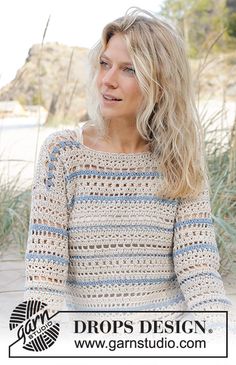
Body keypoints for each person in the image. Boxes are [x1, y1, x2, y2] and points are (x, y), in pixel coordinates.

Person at [24, 7, 231, 316]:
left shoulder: (180, 158)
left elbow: (199, 273)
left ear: (160, 83)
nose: (107, 80)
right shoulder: (62, 153)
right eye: (104, 64)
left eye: (129, 70)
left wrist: (218, 333)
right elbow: (44, 280)